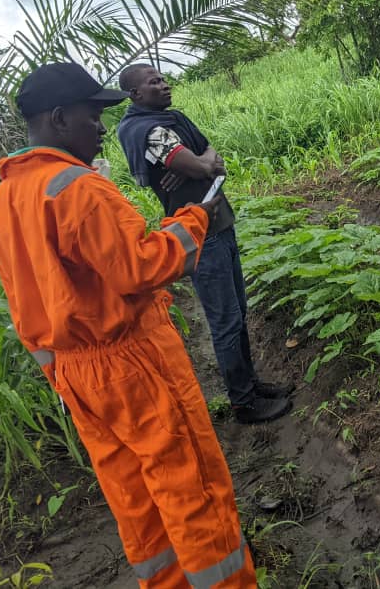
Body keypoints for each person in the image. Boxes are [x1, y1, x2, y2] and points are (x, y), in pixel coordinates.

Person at [0, 62, 257, 587]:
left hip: (75, 377)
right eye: (92, 116)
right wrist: (195, 217)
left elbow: (28, 305)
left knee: (135, 496)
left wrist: (63, 375)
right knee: (188, 486)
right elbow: (142, 267)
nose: (102, 128)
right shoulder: (77, 189)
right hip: (132, 363)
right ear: (59, 118)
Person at [117, 63, 291, 424]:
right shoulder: (147, 130)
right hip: (200, 235)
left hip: (218, 222)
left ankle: (251, 384)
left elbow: (214, 159)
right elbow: (203, 167)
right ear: (135, 94)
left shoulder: (172, 120)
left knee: (238, 312)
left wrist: (201, 162)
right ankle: (243, 402)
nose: (164, 85)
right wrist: (200, 164)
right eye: (154, 82)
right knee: (225, 320)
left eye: (163, 78)